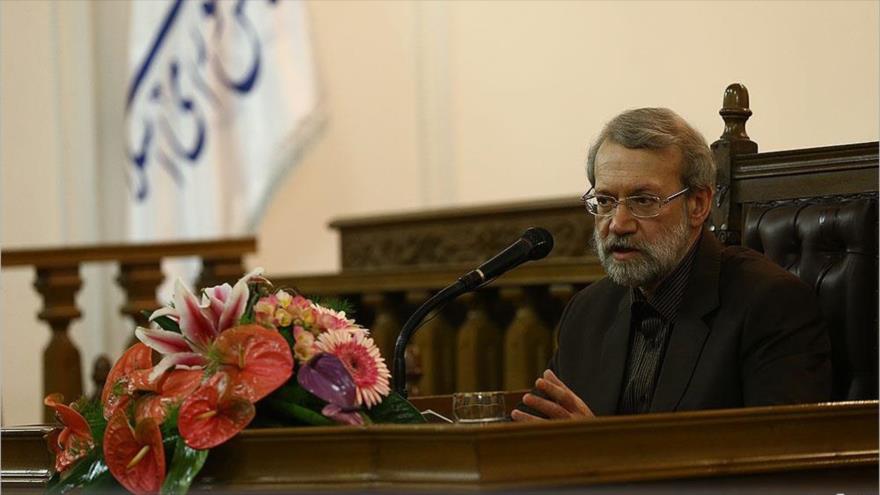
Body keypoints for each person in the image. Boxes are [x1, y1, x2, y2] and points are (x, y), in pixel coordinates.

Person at [511, 108, 832, 422]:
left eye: (643, 201)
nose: (618, 223)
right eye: (606, 201)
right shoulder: (587, 312)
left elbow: (776, 459)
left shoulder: (769, 305)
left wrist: (600, 452)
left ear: (698, 205)